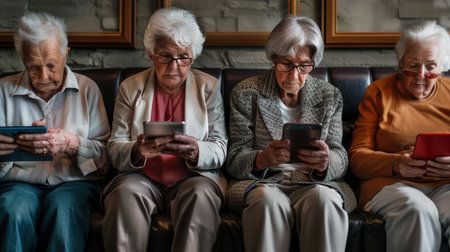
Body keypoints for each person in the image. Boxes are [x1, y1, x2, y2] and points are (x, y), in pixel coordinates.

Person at [226, 15, 356, 252]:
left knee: (324, 201)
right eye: (286, 64)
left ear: (312, 63)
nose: (294, 75)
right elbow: (234, 158)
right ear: (273, 58)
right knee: (267, 201)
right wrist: (261, 159)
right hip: (265, 183)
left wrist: (327, 163)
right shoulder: (246, 93)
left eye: (304, 65)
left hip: (314, 184)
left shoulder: (329, 95)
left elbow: (341, 156)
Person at [102, 7, 228, 252]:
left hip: (193, 179)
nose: (174, 66)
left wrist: (196, 151)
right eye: (165, 56)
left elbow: (220, 147)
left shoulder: (208, 87)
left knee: (201, 195)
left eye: (183, 57)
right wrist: (136, 151)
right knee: (125, 193)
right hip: (140, 178)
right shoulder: (131, 88)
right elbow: (114, 147)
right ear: (151, 53)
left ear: (194, 56)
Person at [0, 12, 110, 252]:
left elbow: (104, 163)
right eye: (33, 67)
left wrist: (70, 145)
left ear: (66, 54)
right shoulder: (3, 91)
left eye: (51, 65)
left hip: (74, 184)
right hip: (19, 184)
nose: (43, 76)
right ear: (23, 60)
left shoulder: (87, 90)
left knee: (64, 210)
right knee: (12, 209)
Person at [349, 21, 450, 252]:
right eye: (412, 66)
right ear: (400, 62)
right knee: (417, 209)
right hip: (392, 184)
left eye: (431, 66)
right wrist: (396, 164)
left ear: (443, 66)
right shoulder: (378, 92)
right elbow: (356, 159)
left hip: (445, 185)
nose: (421, 75)